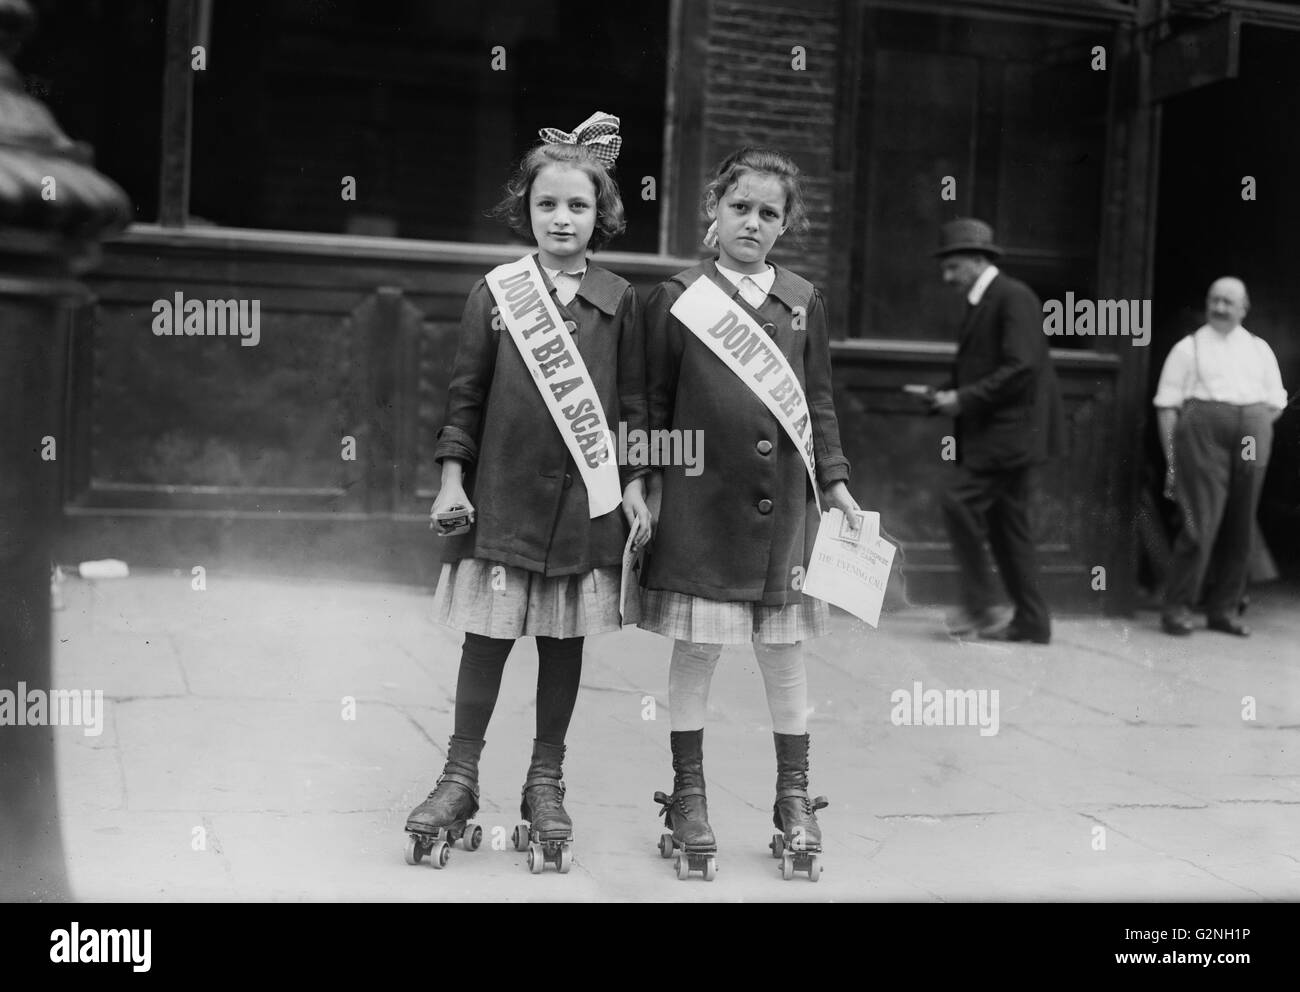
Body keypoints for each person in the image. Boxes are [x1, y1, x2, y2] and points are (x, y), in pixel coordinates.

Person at [404, 112, 653, 872]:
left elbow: (637, 407)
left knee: (562, 644)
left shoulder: (620, 300)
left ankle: (546, 780)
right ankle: (459, 776)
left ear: (600, 214)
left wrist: (639, 486)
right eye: (548, 204)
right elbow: (464, 397)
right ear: (528, 210)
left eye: (578, 205)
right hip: (504, 499)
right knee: (486, 641)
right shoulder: (497, 292)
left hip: (583, 506)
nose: (562, 218)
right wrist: (452, 480)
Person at [640, 147, 858, 881]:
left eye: (770, 213)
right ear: (713, 209)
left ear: (786, 224)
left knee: (783, 651)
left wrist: (835, 484)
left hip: (782, 511)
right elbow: (649, 401)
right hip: (702, 505)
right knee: (698, 648)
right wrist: (652, 478)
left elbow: (818, 401)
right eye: (741, 208)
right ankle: (689, 796)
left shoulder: (802, 299)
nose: (753, 223)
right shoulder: (677, 296)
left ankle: (793, 798)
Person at [930, 218, 1064, 644]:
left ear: (976, 259)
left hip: (1009, 438)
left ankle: (982, 605)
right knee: (1010, 530)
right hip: (1006, 436)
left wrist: (963, 399)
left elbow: (1021, 368)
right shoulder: (988, 299)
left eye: (952, 267)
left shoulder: (1012, 297)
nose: (946, 277)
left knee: (957, 501)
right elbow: (993, 367)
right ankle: (1032, 621)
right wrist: (945, 393)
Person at [1153, 277, 1287, 637]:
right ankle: (1177, 608)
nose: (1220, 308)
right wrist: (1172, 458)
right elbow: (1167, 408)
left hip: (1252, 432)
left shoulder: (1260, 349)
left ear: (1244, 309)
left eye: (1229, 302)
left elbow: (1276, 401)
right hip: (1204, 436)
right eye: (1215, 300)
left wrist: (1250, 426)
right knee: (1199, 524)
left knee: (1241, 525)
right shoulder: (1188, 348)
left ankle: (1223, 610)